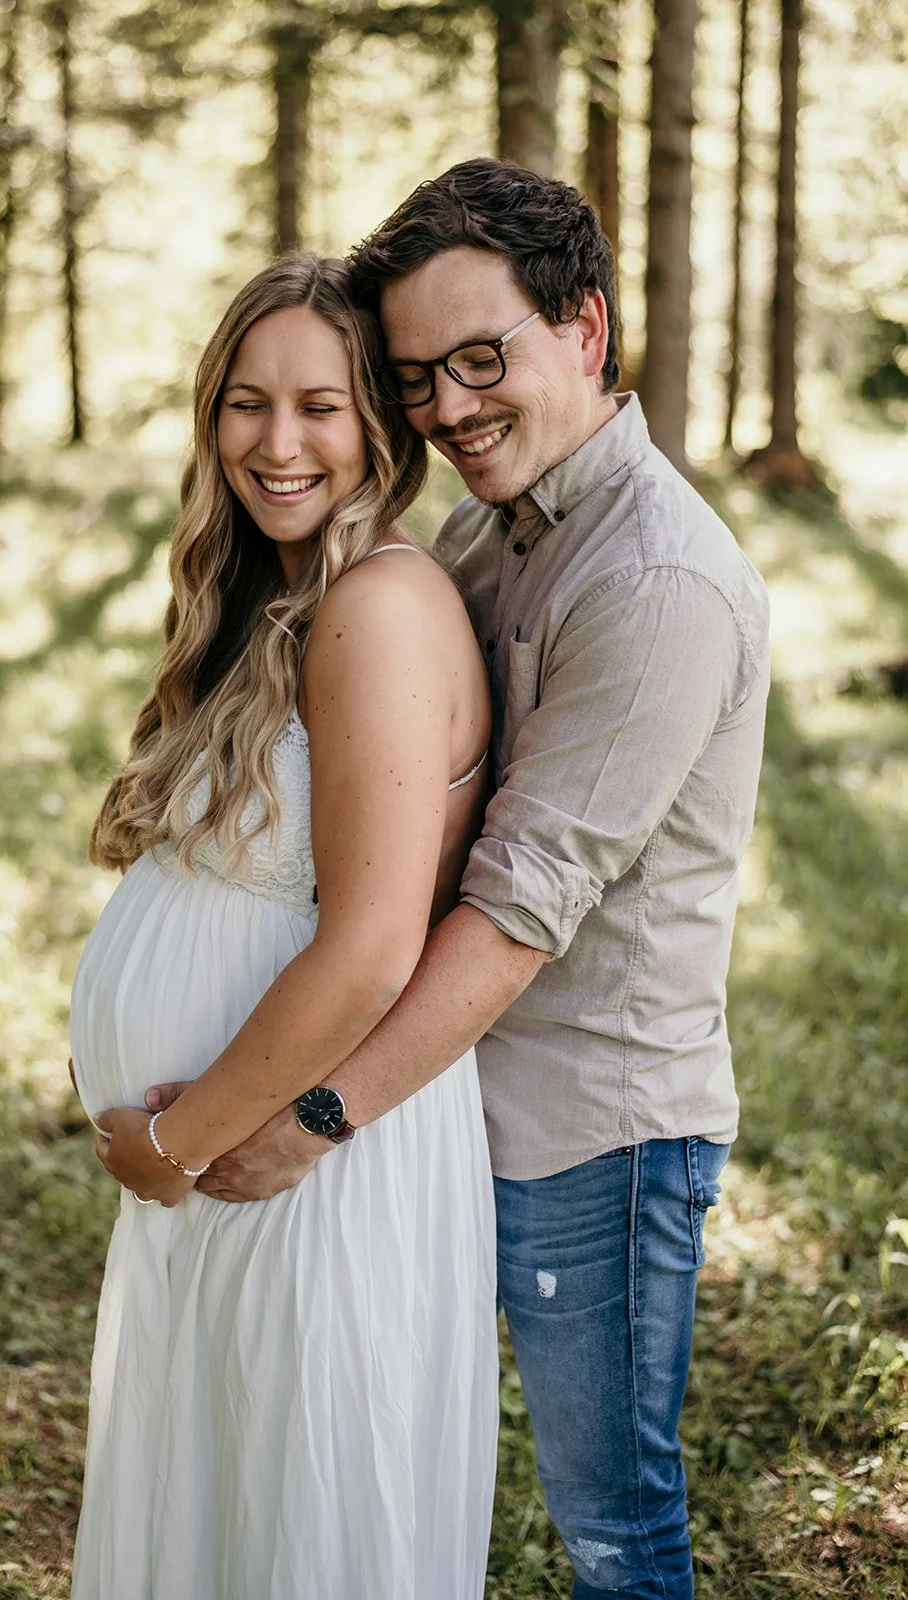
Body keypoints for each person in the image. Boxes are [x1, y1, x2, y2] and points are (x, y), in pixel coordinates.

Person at [140, 160, 772, 1599]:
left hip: (589, 1134)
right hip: (441, 1110)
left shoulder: (657, 582)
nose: (448, 406)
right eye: (416, 375)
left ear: (587, 329)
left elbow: (515, 914)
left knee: (612, 1522)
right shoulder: (496, 523)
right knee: (411, 1469)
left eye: (481, 357)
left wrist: (310, 1118)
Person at [67, 252, 503, 1599]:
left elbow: (371, 949)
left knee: (291, 1540)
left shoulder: (373, 609)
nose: (277, 441)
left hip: (288, 1162)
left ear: (378, 418)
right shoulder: (281, 595)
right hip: (226, 1162)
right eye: (246, 403)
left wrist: (175, 1144)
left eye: (320, 405)